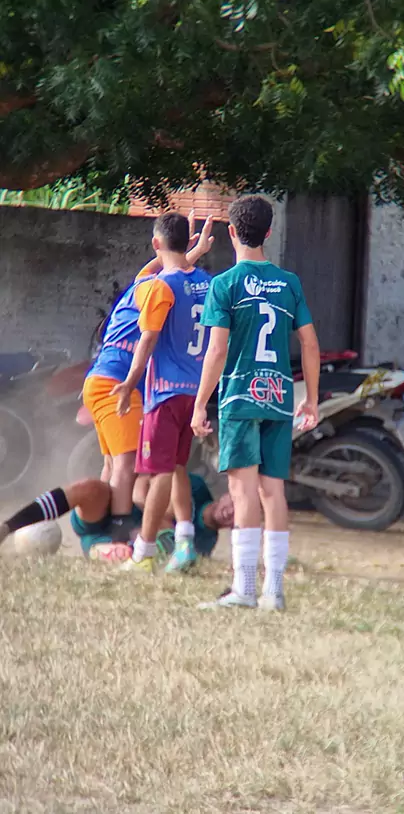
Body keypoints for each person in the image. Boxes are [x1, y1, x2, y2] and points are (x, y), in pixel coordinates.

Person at [191, 195, 321, 611]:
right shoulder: (289, 283)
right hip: (278, 396)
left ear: (231, 232)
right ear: (269, 232)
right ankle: (274, 591)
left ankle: (244, 589)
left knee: (242, 491)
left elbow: (216, 351)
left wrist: (200, 404)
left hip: (240, 397)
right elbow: (310, 343)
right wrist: (311, 399)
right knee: (272, 491)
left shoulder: (224, 284)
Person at [82, 211, 213, 541]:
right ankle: (119, 536)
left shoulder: (148, 281)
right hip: (116, 381)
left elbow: (172, 271)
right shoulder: (155, 288)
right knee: (127, 466)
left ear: (156, 244)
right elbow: (172, 281)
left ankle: (98, 530)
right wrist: (192, 254)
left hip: (101, 379)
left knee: (113, 465)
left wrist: (192, 253)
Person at [0, 474, 234, 560]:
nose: (232, 513)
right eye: (235, 504)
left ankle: (97, 551)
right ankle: (9, 526)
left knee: (126, 554)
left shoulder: (205, 542)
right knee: (89, 487)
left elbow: (165, 556)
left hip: (120, 543)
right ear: (227, 494)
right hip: (110, 513)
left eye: (239, 517)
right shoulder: (196, 485)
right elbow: (142, 482)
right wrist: (152, 510)